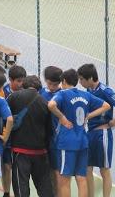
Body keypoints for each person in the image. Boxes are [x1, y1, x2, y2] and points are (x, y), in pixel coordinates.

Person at [48, 69, 110, 197]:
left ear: (64, 81)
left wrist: (62, 117)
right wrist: (89, 116)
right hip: (83, 141)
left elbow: (51, 105)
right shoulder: (85, 95)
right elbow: (106, 106)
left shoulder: (63, 94)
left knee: (65, 180)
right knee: (81, 178)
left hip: (67, 142)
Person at [77, 64, 115, 197]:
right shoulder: (89, 91)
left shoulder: (105, 90)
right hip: (90, 133)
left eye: (82, 79)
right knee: (87, 168)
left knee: (104, 170)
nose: (80, 82)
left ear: (90, 78)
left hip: (102, 134)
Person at [7, 75, 54, 197]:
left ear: (23, 85)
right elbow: (50, 130)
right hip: (40, 151)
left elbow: (5, 118)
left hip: (20, 151)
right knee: (44, 186)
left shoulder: (14, 97)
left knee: (21, 186)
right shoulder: (45, 103)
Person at [2, 65, 27, 197]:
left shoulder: (25, 92)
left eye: (22, 80)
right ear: (10, 80)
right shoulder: (3, 91)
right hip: (5, 134)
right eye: (18, 81)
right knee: (5, 166)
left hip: (19, 136)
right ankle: (6, 192)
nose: (21, 84)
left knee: (15, 167)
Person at [39, 66, 63, 196]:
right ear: (45, 80)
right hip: (42, 139)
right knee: (47, 171)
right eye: (50, 84)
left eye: (56, 84)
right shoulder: (41, 92)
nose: (53, 87)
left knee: (57, 171)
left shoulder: (62, 95)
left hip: (56, 139)